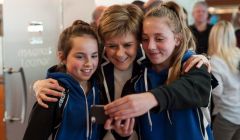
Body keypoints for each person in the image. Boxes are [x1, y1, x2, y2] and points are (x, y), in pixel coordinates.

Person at [32, 4, 211, 140]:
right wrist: (40, 83)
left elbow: (195, 85)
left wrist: (201, 58)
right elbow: (73, 68)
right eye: (111, 46)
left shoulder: (149, 63)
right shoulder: (97, 64)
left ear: (138, 42)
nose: (120, 53)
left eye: (128, 45)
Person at [104, 1, 214, 140]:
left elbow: (198, 90)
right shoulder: (136, 83)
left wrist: (152, 98)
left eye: (159, 38)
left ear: (177, 39)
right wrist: (123, 133)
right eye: (145, 39)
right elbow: (128, 129)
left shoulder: (193, 64)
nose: (150, 46)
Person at [23, 20, 132, 140]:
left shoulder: (99, 88)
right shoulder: (52, 93)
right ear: (62, 57)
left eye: (94, 56)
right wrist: (36, 84)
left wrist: (122, 134)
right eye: (80, 56)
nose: (89, 63)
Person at [208, 20, 240, 140]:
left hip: (226, 116)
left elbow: (217, 91)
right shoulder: (239, 54)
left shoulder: (215, 61)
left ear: (214, 37)